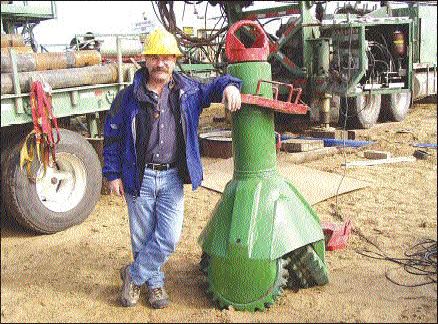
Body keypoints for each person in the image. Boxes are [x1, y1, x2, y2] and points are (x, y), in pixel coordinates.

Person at [102, 27, 242, 309]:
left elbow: (215, 85)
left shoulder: (188, 91)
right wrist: (112, 174)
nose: (161, 63)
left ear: (175, 60)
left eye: (167, 57)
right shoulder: (127, 97)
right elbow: (113, 136)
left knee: (168, 237)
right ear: (146, 60)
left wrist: (230, 86)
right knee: (142, 237)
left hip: (171, 176)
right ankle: (154, 285)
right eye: (155, 57)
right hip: (138, 175)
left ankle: (133, 275)